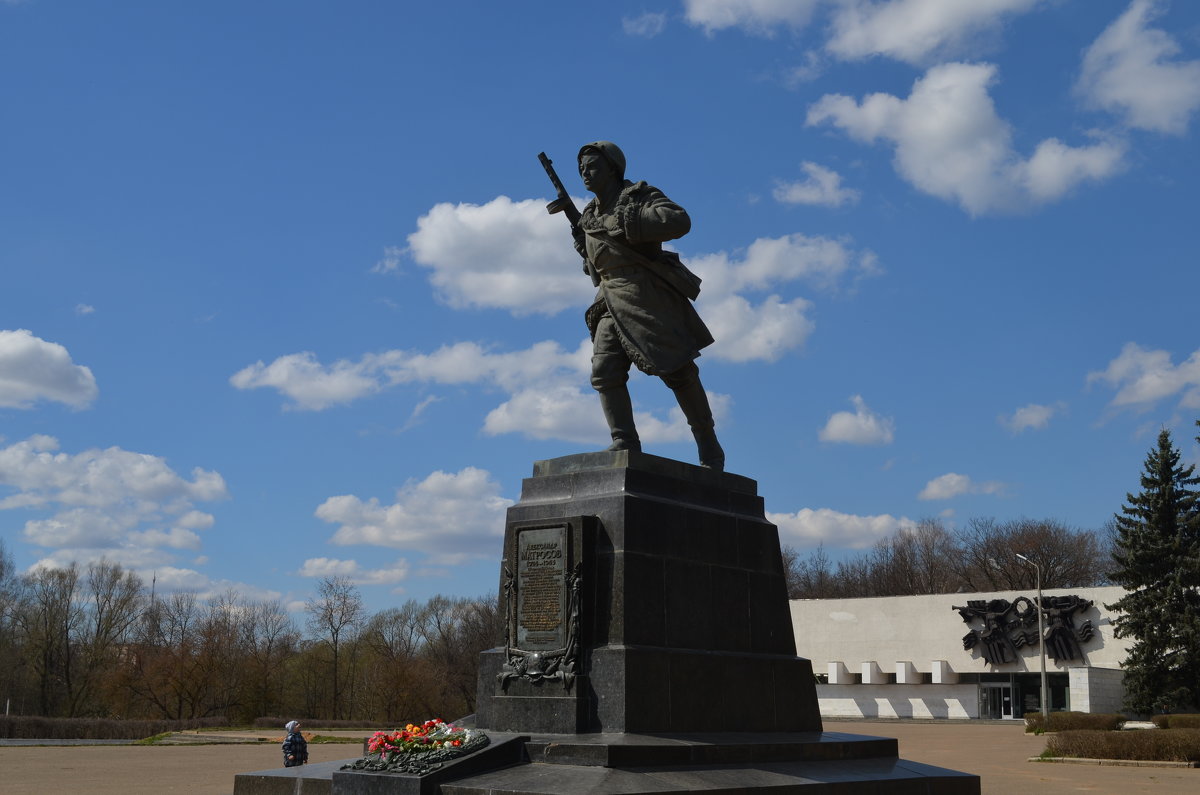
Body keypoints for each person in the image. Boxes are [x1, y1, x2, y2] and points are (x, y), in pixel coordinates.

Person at [572, 141, 725, 470]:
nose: (585, 173)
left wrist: (631, 223)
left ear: (613, 169)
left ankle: (707, 442)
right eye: (582, 167)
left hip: (645, 294)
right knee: (604, 371)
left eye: (593, 166)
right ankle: (624, 440)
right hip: (609, 299)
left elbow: (678, 221)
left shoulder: (637, 196)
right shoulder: (587, 215)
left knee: (678, 372)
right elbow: (596, 267)